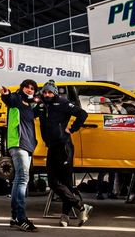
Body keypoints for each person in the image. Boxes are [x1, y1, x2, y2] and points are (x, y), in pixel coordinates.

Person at [36, 82, 93, 227]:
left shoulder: (63, 103)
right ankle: (81, 206)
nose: (47, 95)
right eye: (45, 92)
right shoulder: (42, 105)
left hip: (64, 147)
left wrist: (72, 129)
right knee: (52, 182)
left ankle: (65, 216)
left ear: (55, 93)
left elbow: (82, 114)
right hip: (52, 147)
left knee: (66, 182)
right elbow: (28, 112)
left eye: (50, 92)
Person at [0, 79, 39, 231]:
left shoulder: (29, 106)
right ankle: (21, 217)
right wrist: (6, 94)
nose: (29, 90)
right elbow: (9, 98)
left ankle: (15, 216)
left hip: (27, 145)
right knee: (22, 178)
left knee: (20, 179)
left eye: (32, 88)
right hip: (18, 143)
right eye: (27, 87)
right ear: (21, 88)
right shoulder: (16, 99)